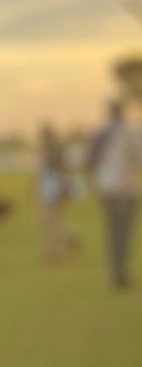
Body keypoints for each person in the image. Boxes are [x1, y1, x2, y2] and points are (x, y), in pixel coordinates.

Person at [86, 100, 142, 289]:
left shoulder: (99, 133)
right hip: (124, 188)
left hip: (105, 186)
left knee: (111, 231)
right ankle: (120, 273)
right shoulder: (130, 131)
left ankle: (114, 271)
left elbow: (89, 160)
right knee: (123, 232)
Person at [36, 122, 79, 263]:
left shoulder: (53, 150)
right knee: (52, 219)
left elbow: (61, 168)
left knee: (49, 220)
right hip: (49, 188)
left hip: (52, 188)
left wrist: (64, 186)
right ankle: (70, 237)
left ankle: (54, 251)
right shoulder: (51, 149)